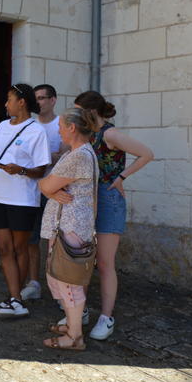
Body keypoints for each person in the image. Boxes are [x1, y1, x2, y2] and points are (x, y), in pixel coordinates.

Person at [72, 91, 154, 340]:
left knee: (105, 262)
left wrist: (120, 178)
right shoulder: (87, 134)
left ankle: (106, 317)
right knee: (83, 258)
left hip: (108, 200)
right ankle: (80, 310)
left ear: (91, 112)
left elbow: (147, 154)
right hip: (87, 199)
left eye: (79, 110)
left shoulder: (109, 134)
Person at [0, 84, 50, 318]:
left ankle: (16, 297)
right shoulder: (2, 126)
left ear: (21, 101)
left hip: (22, 198)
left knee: (19, 247)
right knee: (4, 248)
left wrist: (21, 170)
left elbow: (41, 169)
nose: (5, 104)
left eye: (9, 99)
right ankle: (14, 297)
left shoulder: (36, 131)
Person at [39, 107, 100, 350]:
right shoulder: (79, 153)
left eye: (61, 126)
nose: (58, 130)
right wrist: (50, 188)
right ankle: (71, 326)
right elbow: (48, 185)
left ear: (72, 128)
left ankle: (75, 336)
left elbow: (44, 184)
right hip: (70, 225)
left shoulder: (78, 156)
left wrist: (49, 188)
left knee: (68, 281)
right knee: (60, 278)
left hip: (70, 227)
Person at [22, 84, 67, 301]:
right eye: (35, 98)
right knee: (31, 240)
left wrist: (52, 157)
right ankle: (34, 283)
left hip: (56, 192)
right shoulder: (29, 125)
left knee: (57, 242)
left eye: (42, 98)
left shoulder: (63, 125)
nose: (38, 102)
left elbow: (69, 156)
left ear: (53, 100)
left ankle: (61, 291)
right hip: (31, 190)